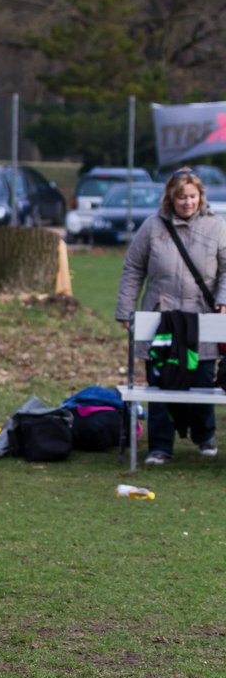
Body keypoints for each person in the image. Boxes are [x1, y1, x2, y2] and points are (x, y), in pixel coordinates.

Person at [116, 167, 226, 464]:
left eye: (192, 197)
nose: (187, 203)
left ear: (200, 197)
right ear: (171, 198)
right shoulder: (153, 227)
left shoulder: (217, 227)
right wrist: (126, 310)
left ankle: (205, 436)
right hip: (160, 319)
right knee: (160, 382)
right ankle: (160, 446)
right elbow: (133, 268)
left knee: (202, 379)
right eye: (181, 198)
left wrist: (223, 301)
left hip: (201, 319)